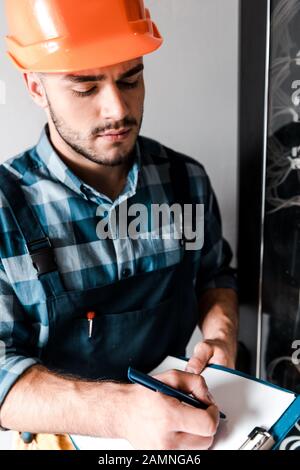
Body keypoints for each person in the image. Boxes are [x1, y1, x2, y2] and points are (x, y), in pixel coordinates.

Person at [0, 0, 238, 450]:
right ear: (35, 86)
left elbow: (215, 276)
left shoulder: (187, 181)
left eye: (130, 78)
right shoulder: (5, 211)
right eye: (86, 87)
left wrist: (220, 338)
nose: (117, 110)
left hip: (184, 427)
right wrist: (121, 412)